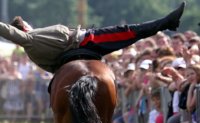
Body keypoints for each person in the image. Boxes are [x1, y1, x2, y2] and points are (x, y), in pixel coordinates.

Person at [0, 2, 186, 73]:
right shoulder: (30, 38)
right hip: (85, 41)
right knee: (128, 31)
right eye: (27, 25)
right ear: (24, 28)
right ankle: (166, 23)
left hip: (67, 58)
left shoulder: (32, 52)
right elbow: (7, 31)